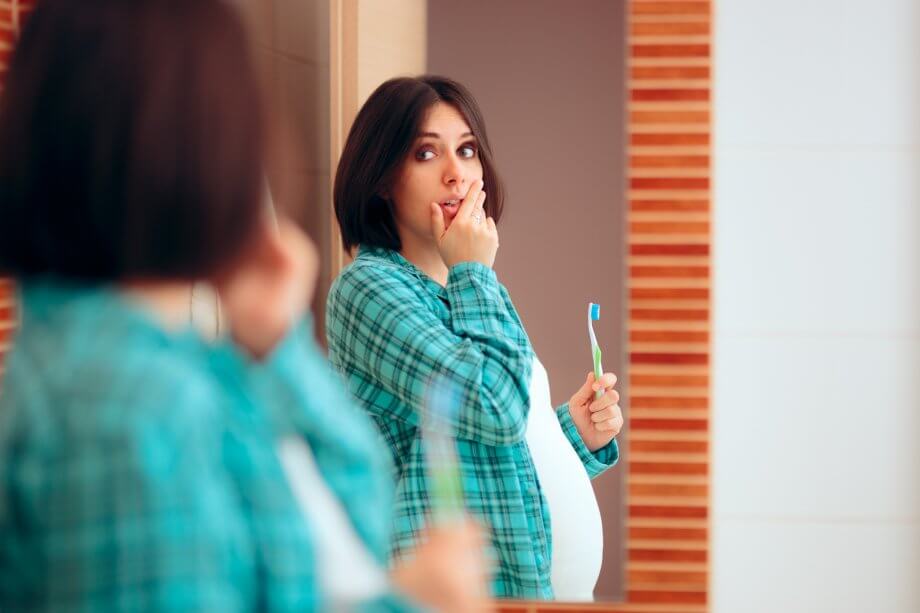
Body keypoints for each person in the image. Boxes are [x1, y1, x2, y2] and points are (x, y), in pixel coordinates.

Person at [0, 3, 486, 611]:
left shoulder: (174, 360)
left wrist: (278, 343)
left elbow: (354, 517)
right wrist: (412, 604)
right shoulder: (129, 409)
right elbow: (490, 406)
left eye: (466, 150)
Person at [326, 75, 624, 600]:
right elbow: (493, 407)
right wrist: (474, 273)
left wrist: (572, 434)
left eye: (467, 150)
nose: (455, 174)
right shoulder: (369, 289)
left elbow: (499, 444)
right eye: (425, 153)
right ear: (381, 178)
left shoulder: (464, 280)